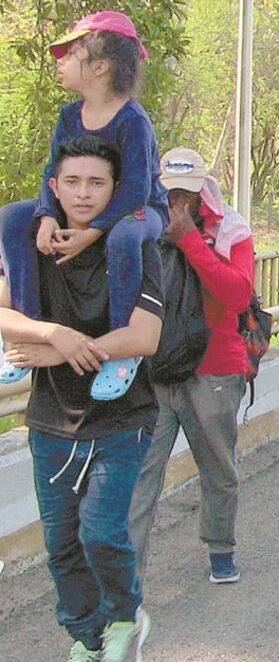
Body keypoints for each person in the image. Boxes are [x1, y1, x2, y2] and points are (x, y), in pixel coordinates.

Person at [0, 135, 163, 661]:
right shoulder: (35, 245)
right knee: (62, 548)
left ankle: (124, 614)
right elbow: (4, 313)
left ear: (116, 189)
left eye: (97, 183)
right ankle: (87, 638)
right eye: (72, 182)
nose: (84, 194)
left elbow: (144, 336)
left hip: (121, 418)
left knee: (100, 532)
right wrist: (53, 336)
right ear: (54, 187)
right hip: (51, 419)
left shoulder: (134, 244)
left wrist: (70, 349)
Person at [0, 11, 168, 402]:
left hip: (143, 210)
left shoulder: (132, 120)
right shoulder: (68, 115)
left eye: (70, 54)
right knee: (10, 217)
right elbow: (51, 171)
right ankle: (25, 330)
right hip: (102, 206)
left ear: (100, 65)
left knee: (124, 236)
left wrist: (91, 233)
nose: (60, 63)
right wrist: (45, 215)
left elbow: (137, 188)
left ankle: (119, 351)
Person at [128, 147, 255, 586]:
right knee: (140, 477)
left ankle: (221, 547)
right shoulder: (140, 226)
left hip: (214, 370)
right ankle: (128, 576)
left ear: (202, 188)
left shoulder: (230, 229)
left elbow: (237, 295)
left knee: (218, 468)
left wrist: (189, 240)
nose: (178, 201)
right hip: (153, 368)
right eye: (170, 192)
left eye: (187, 192)